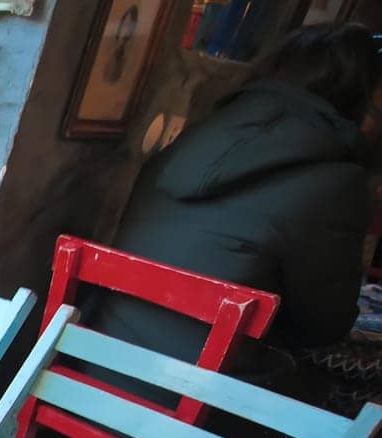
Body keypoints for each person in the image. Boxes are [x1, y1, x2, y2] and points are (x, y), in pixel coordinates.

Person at [82, 23, 382, 413]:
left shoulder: (190, 140)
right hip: (196, 416)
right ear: (358, 100)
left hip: (93, 379)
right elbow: (323, 327)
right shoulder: (338, 182)